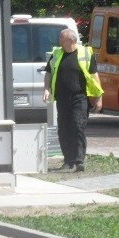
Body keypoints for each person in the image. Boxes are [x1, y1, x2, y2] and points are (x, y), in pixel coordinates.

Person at [42, 28, 103, 172]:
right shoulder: (57, 54)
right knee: (64, 129)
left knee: (77, 126)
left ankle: (79, 161)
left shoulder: (86, 53)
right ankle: (68, 161)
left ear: (71, 40)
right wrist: (46, 88)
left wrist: (99, 99)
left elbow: (95, 77)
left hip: (80, 97)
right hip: (62, 99)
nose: (59, 41)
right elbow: (48, 74)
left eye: (61, 39)